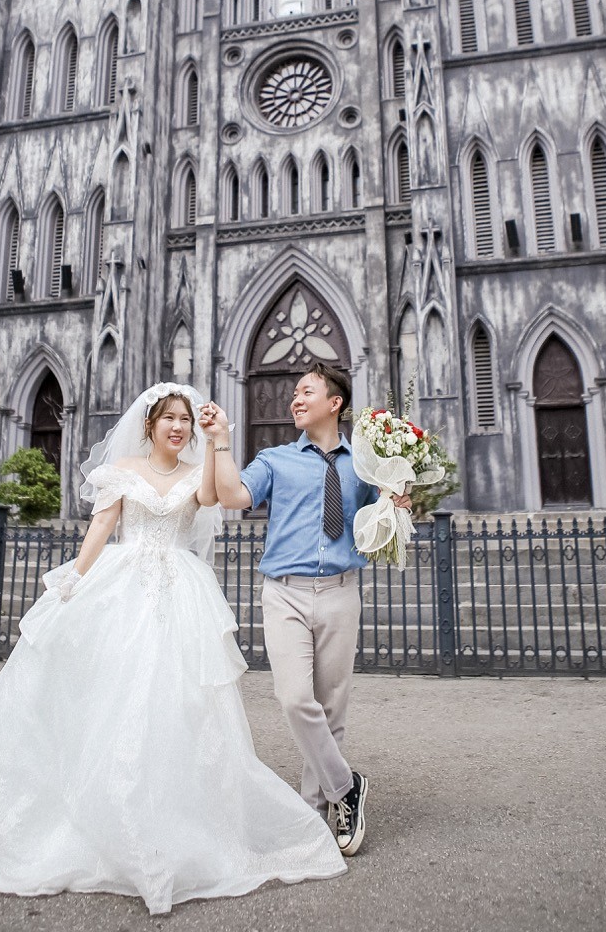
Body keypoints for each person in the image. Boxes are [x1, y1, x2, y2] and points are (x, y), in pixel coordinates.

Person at [0, 384, 346, 915]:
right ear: (149, 424)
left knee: (179, 708)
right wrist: (71, 582)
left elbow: (210, 498)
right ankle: (105, 817)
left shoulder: (193, 472)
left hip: (180, 595)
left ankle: (170, 823)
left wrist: (220, 438)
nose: (178, 427)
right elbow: (102, 526)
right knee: (113, 700)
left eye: (184, 420)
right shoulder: (123, 470)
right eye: (168, 419)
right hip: (125, 589)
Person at [200, 363, 410, 859]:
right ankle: (348, 785)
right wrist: (221, 441)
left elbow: (385, 510)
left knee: (331, 707)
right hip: (285, 592)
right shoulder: (274, 459)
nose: (295, 399)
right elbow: (233, 497)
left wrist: (399, 494)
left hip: (341, 589)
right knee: (295, 698)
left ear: (334, 403)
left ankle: (314, 814)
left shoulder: (364, 463)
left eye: (306, 391)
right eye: (293, 392)